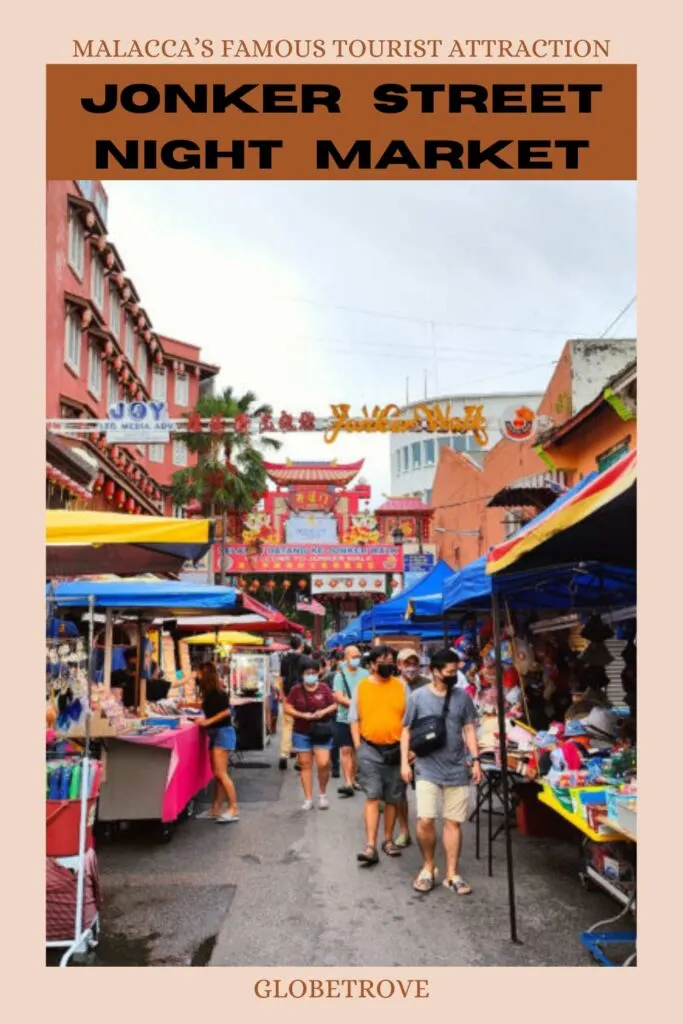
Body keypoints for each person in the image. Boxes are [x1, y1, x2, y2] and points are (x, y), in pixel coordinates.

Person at [401, 648, 481, 894]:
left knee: (453, 823)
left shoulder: (463, 698)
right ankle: (428, 866)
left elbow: (469, 730)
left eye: (456, 671)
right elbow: (405, 730)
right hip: (426, 767)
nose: (454, 675)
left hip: (457, 768)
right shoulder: (418, 697)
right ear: (434, 671)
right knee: (425, 820)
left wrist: (476, 760)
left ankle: (452, 874)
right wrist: (404, 762)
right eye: (449, 671)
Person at [349, 645, 407, 865]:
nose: (388, 664)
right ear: (372, 664)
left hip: (395, 749)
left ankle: (388, 840)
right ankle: (370, 845)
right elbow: (353, 718)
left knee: (392, 797)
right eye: (383, 660)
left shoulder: (401, 687)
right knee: (373, 795)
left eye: (390, 660)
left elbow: (409, 720)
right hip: (369, 749)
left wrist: (407, 751)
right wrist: (358, 746)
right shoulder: (362, 687)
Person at [285, 657, 338, 811]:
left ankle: (322, 794)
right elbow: (287, 708)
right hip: (301, 731)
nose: (311, 675)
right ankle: (308, 798)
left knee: (323, 763)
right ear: (302, 674)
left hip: (321, 731)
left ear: (318, 673)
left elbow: (334, 704)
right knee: (305, 765)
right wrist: (303, 715)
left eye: (314, 672)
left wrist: (323, 712)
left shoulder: (324, 688)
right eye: (308, 673)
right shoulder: (296, 690)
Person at [392, 649, 430, 846]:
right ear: (399, 664)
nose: (411, 667)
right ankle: (404, 830)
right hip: (399, 743)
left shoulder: (427, 684)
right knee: (400, 790)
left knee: (426, 789)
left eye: (415, 663)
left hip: (423, 743)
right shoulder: (393, 685)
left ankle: (424, 829)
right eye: (407, 663)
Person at [196, 662, 239, 823]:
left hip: (223, 732)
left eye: (199, 672)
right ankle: (216, 808)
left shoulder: (219, 693)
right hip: (216, 732)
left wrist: (208, 721)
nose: (197, 675)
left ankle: (234, 807)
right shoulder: (209, 692)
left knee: (221, 773)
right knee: (218, 774)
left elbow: (226, 711)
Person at [333, 645, 365, 797]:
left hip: (362, 719)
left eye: (358, 656)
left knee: (356, 750)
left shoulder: (365, 674)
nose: (356, 659)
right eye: (353, 656)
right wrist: (355, 704)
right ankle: (347, 782)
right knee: (346, 749)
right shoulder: (340, 676)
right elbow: (339, 697)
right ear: (346, 658)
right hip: (344, 718)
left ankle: (353, 779)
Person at [278, 635, 304, 770]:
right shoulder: (304, 659)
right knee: (300, 727)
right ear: (301, 645)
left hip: (288, 696)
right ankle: (299, 758)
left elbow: (281, 679)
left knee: (287, 726)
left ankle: (283, 754)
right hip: (301, 697)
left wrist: (282, 696)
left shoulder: (285, 659)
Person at [324, 651, 343, 779]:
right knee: (335, 741)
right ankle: (335, 767)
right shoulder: (329, 676)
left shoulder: (354, 675)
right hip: (334, 712)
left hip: (349, 712)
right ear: (336, 661)